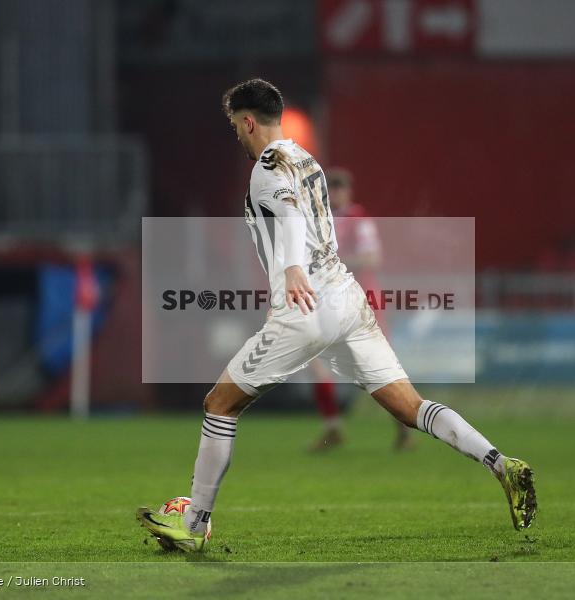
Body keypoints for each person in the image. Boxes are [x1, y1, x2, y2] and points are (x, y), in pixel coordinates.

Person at [137, 79, 536, 552]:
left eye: (235, 126)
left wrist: (290, 269)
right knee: (411, 408)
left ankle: (196, 525)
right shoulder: (310, 162)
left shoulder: (266, 167)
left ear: (247, 121)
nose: (237, 136)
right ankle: (501, 463)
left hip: (308, 305)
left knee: (219, 405)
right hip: (347, 299)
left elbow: (288, 217)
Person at [308, 167, 413, 451]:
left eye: (341, 187)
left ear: (349, 191)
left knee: (376, 368)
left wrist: (336, 261)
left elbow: (372, 258)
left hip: (361, 299)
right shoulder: (320, 222)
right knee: (314, 357)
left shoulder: (358, 219)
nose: (337, 192)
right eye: (333, 187)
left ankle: (404, 426)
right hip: (330, 300)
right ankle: (333, 427)